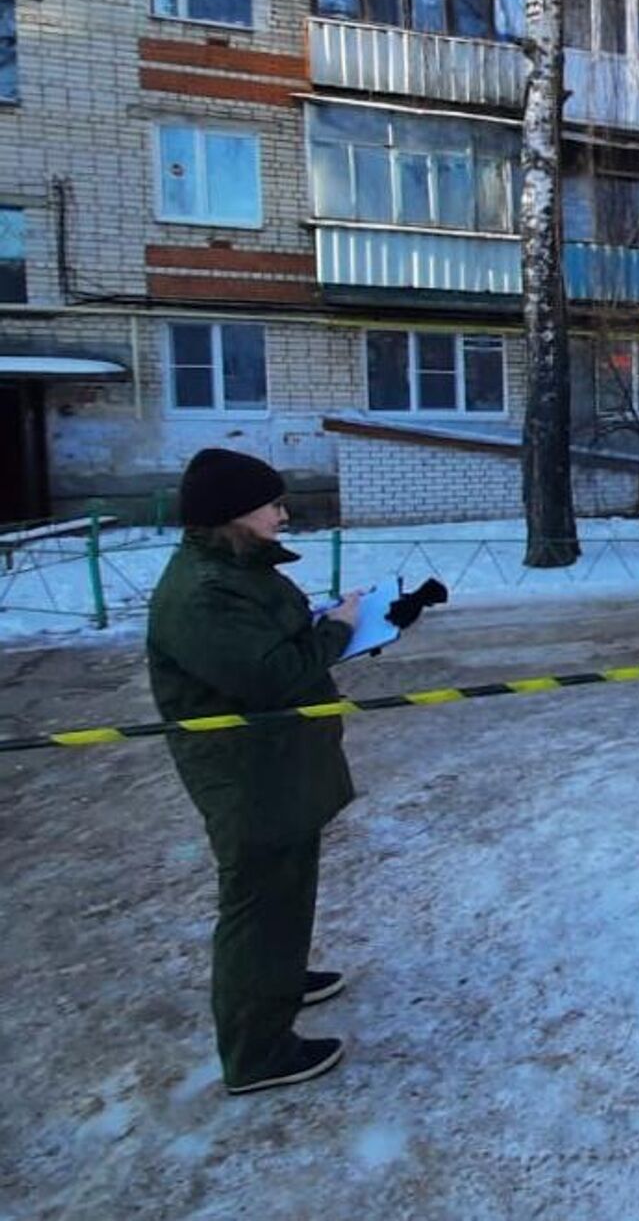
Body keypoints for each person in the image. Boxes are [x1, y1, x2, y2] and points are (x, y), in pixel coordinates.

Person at [147, 447, 362, 1095]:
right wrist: (341, 631)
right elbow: (268, 674)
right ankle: (258, 1053)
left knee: (287, 884)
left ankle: (281, 976)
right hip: (248, 773)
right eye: (272, 504)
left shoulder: (235, 567)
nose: (283, 514)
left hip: (276, 765)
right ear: (234, 513)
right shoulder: (203, 592)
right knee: (259, 899)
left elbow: (272, 641)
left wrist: (330, 623)